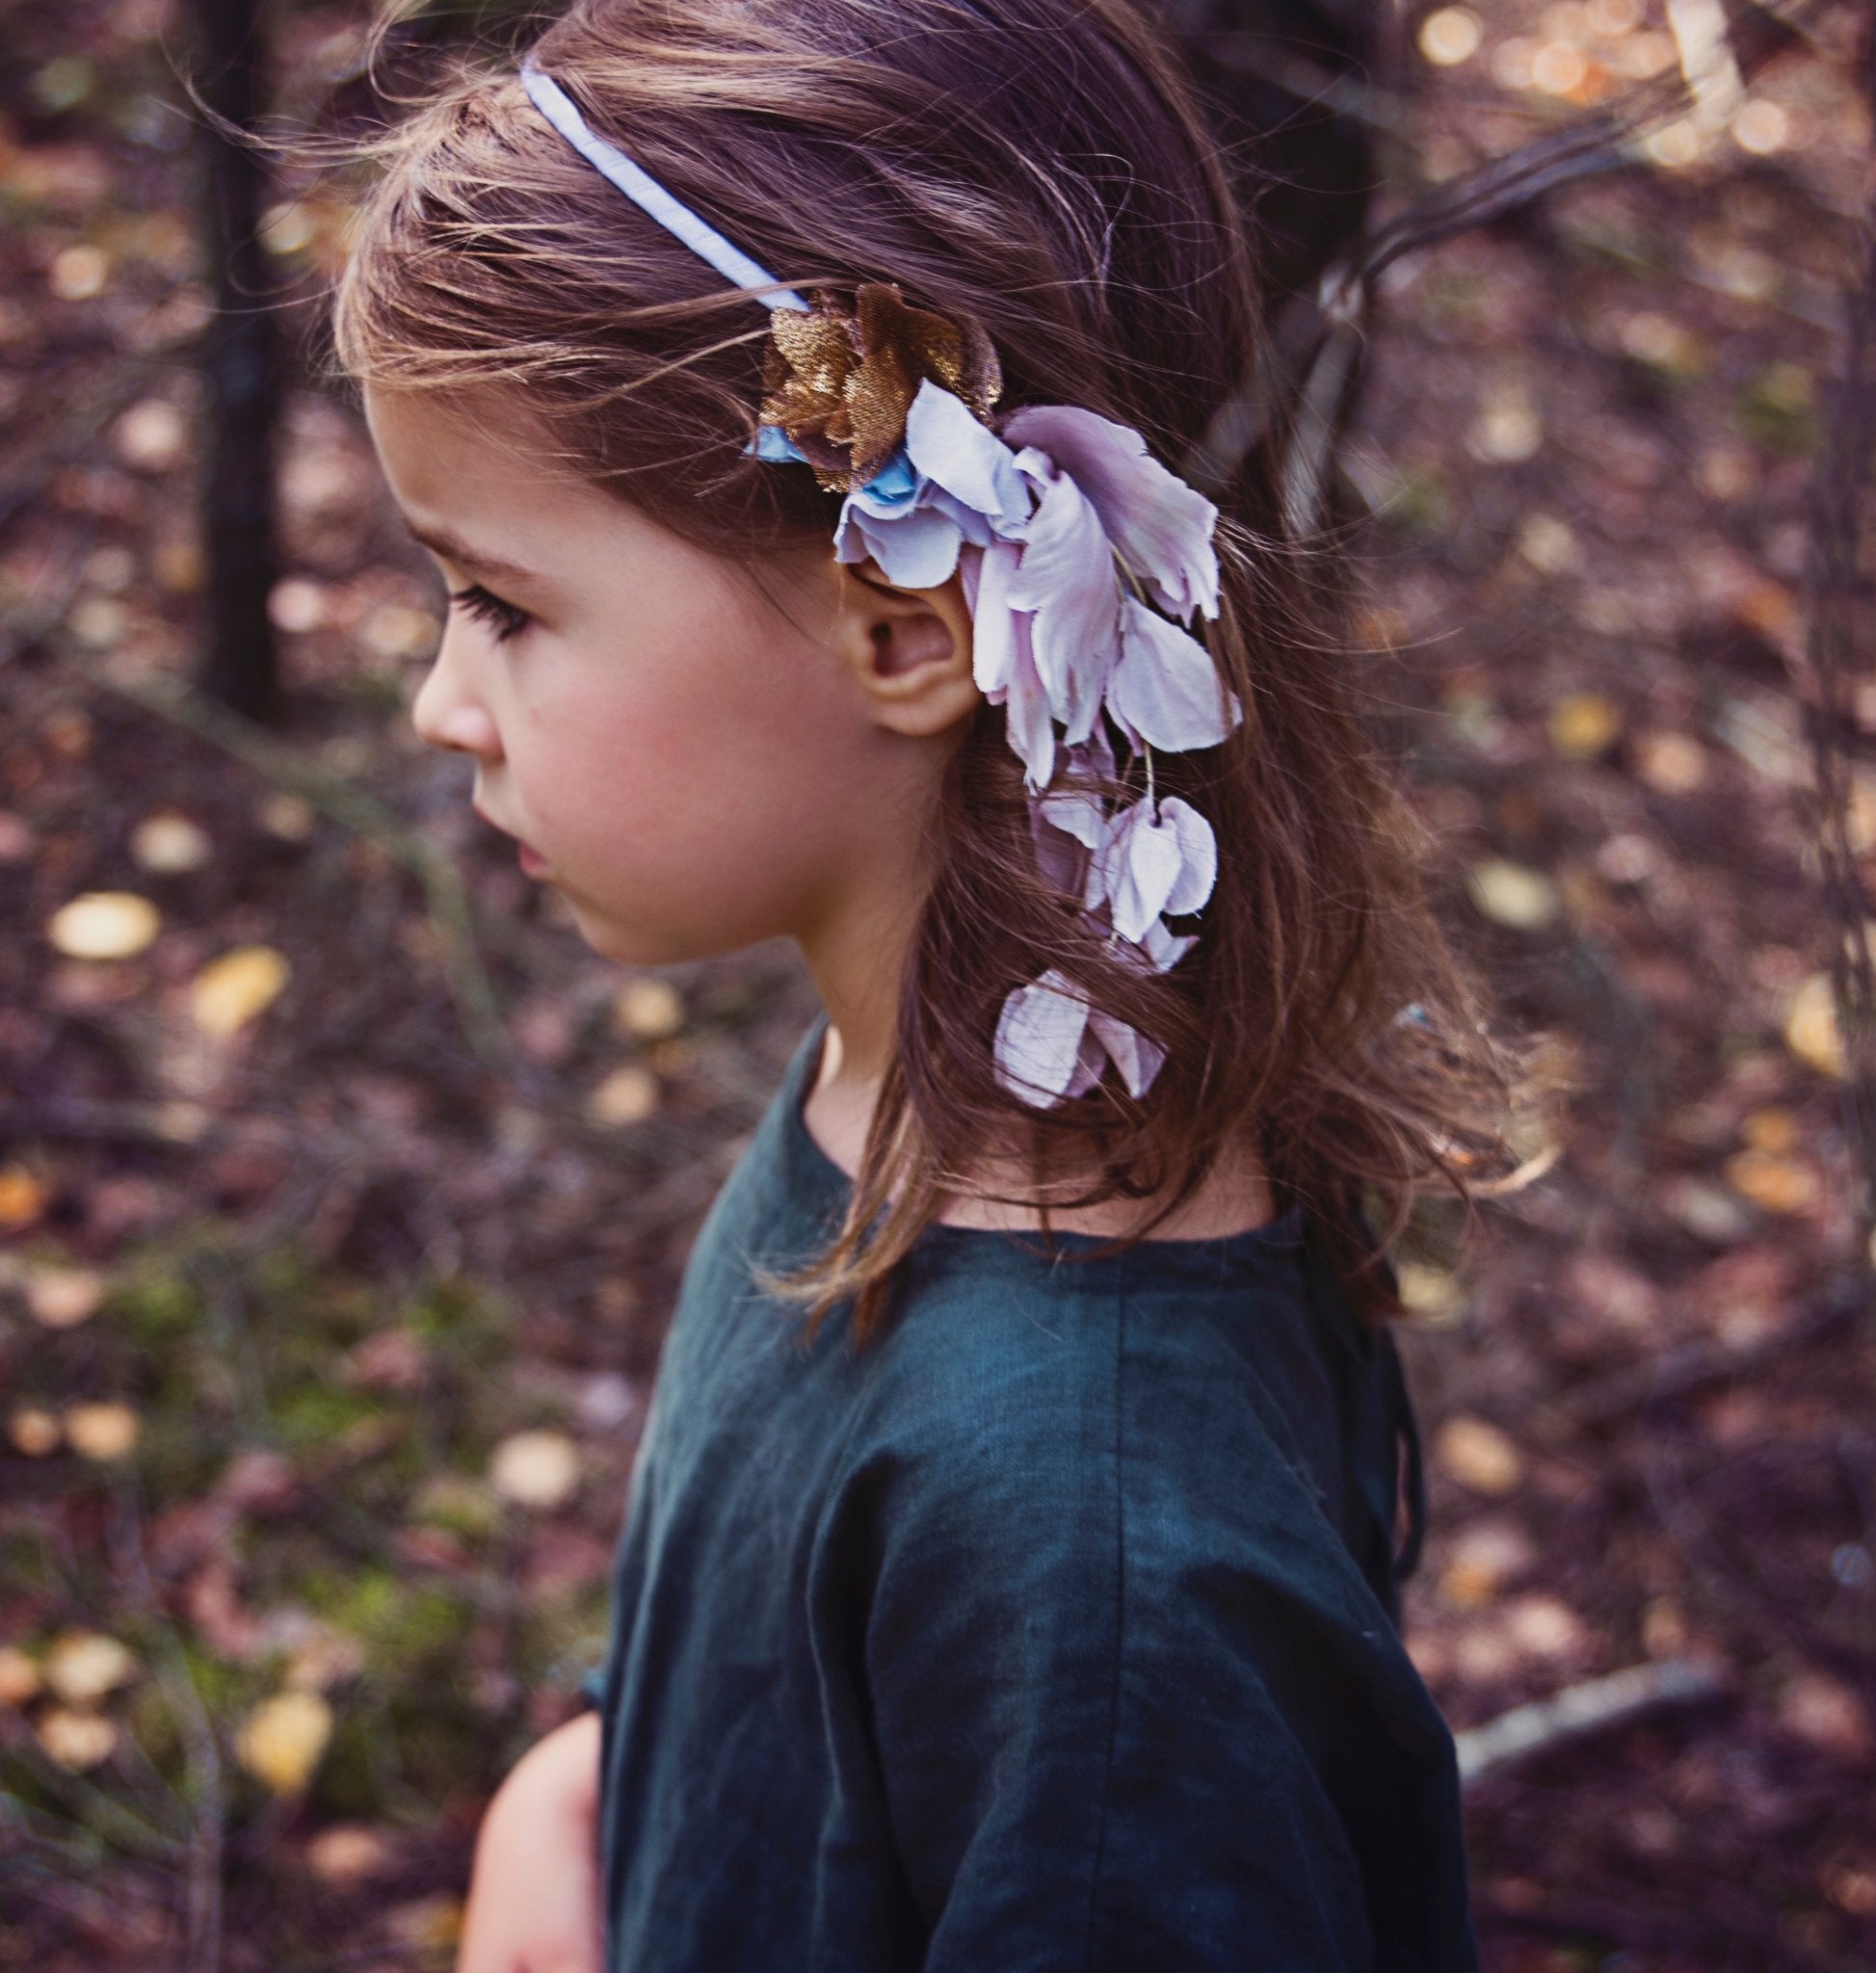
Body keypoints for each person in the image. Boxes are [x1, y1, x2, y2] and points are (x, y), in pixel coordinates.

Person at [330, 2, 1528, 1965]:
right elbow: (781, 1724)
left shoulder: (1100, 1561)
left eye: (500, 603)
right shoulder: (922, 1083)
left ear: (905, 631)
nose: (437, 703)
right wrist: (579, 1812)